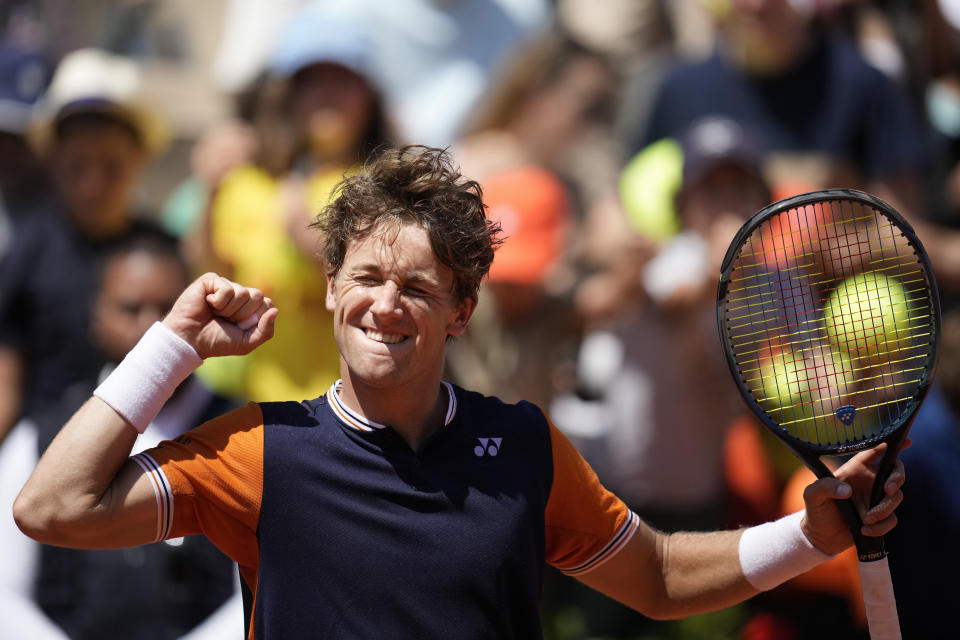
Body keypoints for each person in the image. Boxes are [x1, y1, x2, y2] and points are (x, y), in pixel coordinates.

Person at [14, 146, 906, 639]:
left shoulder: (521, 446)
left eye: (417, 287)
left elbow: (663, 578)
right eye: (364, 276)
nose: (384, 304)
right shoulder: (258, 451)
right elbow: (53, 509)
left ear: (462, 311)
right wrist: (170, 346)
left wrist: (810, 533)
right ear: (330, 288)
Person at [0, 227, 242, 640]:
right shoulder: (40, 435)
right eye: (131, 309)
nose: (153, 328)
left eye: (167, 308)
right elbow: (6, 593)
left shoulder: (243, 434)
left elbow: (264, 592)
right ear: (96, 316)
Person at [0, 47, 168, 445]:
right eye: (78, 166)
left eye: (110, 167)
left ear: (139, 158)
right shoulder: (26, 253)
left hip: (149, 457)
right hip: (41, 455)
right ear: (53, 158)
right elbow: (6, 376)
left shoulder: (165, 254)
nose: (93, 185)